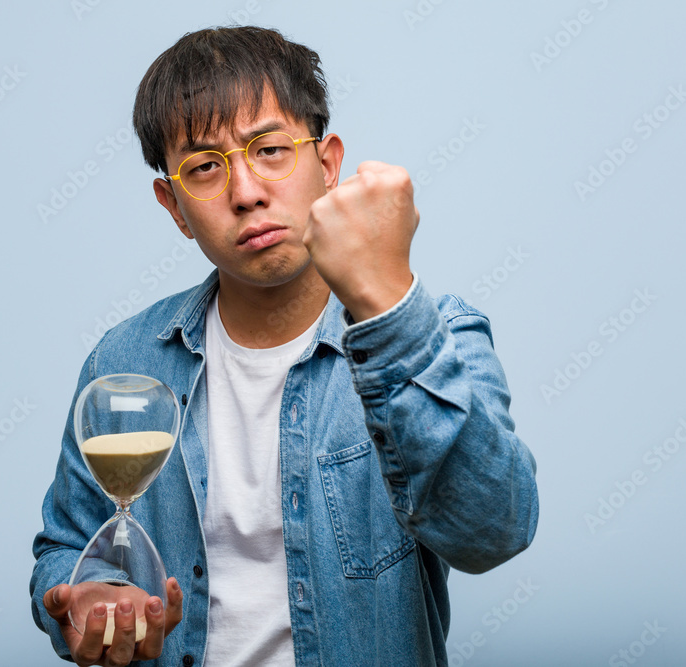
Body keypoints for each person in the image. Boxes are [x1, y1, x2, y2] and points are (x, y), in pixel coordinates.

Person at [30, 25, 538, 667]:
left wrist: (386, 307)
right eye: (205, 168)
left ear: (327, 165)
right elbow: (64, 546)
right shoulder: (124, 360)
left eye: (269, 150)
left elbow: (495, 532)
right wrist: (83, 598)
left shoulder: (436, 333)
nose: (245, 193)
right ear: (174, 206)